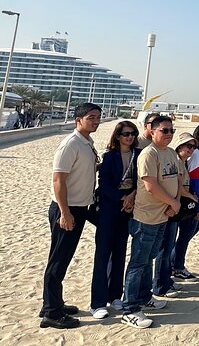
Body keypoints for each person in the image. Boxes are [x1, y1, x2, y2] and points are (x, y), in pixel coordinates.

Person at [40, 103, 101, 329]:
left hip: (79, 208)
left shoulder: (87, 143)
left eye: (98, 117)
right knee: (58, 260)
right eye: (91, 117)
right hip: (67, 209)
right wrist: (65, 213)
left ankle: (52, 303)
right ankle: (52, 313)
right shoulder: (70, 144)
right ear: (78, 120)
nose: (95, 121)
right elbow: (58, 181)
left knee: (61, 259)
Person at [122, 116, 181, 329]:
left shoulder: (171, 153)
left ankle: (145, 296)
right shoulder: (149, 154)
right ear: (153, 131)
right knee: (138, 262)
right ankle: (129, 308)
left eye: (171, 130)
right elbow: (151, 186)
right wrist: (174, 202)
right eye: (164, 130)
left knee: (149, 258)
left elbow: (178, 178)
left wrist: (174, 203)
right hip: (146, 218)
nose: (168, 134)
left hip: (163, 216)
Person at [90, 120, 140, 320]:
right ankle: (98, 302)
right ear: (118, 136)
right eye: (126, 134)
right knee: (102, 255)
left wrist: (132, 196)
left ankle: (115, 295)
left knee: (120, 254)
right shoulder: (110, 157)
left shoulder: (138, 155)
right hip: (109, 210)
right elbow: (103, 186)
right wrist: (122, 198)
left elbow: (141, 180)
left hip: (128, 210)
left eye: (133, 133)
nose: (130, 137)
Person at [153, 133, 198, 298]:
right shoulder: (177, 161)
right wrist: (189, 197)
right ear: (180, 146)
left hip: (177, 206)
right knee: (164, 248)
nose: (191, 149)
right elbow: (178, 184)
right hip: (172, 206)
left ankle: (166, 281)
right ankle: (160, 285)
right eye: (188, 146)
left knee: (169, 245)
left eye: (193, 147)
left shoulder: (183, 162)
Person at [172, 123, 199, 280]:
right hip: (191, 202)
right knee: (186, 233)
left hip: (194, 201)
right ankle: (177, 265)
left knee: (190, 232)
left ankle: (174, 263)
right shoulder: (197, 155)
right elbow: (196, 183)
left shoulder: (198, 153)